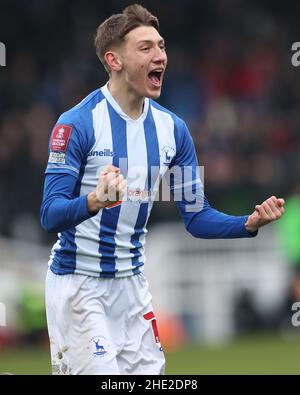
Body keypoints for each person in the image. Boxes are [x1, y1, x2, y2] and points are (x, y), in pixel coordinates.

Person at [40, 4, 285, 375]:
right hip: (79, 285)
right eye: (145, 48)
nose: (160, 56)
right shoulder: (77, 123)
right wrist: (93, 201)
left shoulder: (174, 130)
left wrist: (246, 223)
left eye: (162, 46)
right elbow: (49, 214)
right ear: (114, 59)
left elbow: (197, 216)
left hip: (133, 290)